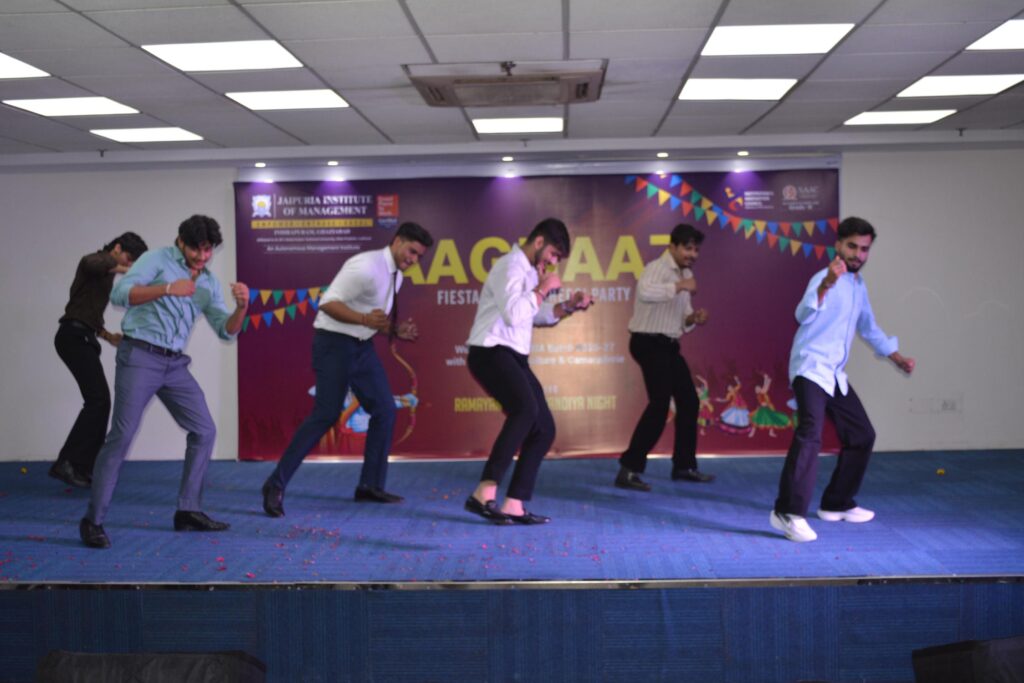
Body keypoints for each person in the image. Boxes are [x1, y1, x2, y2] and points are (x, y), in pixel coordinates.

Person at [79, 215, 250, 549]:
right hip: (140, 356)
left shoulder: (209, 283)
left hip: (174, 365)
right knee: (122, 436)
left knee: (204, 430)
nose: (202, 257)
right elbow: (120, 295)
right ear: (181, 242)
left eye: (208, 250)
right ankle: (92, 520)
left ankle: (188, 510)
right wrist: (168, 288)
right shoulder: (156, 259)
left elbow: (225, 331)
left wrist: (241, 308)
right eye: (196, 249)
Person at [261, 222, 434, 517]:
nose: (414, 259)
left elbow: (373, 319)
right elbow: (327, 303)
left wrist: (394, 330)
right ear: (397, 241)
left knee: (385, 410)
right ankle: (274, 484)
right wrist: (366, 321)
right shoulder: (365, 265)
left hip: (362, 348)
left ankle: (370, 486)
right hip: (333, 345)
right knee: (326, 414)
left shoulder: (397, 276)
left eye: (419, 256)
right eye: (412, 251)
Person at [770, 216, 915, 543]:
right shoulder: (823, 277)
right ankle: (787, 512)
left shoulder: (858, 286)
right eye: (852, 247)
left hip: (834, 375)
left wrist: (897, 357)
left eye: (864, 249)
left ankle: (836, 503)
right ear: (838, 245)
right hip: (810, 368)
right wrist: (826, 284)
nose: (858, 254)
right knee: (810, 435)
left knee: (862, 435)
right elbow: (802, 315)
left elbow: (869, 327)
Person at [464, 218, 594, 525]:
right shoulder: (509, 266)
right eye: (553, 254)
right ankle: (483, 492)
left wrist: (568, 306)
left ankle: (514, 503)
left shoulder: (530, 272)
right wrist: (543, 287)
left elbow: (535, 314)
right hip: (490, 350)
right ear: (538, 242)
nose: (553, 262)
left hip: (512, 355)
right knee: (524, 410)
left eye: (557, 258)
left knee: (544, 428)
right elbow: (513, 313)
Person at [615, 223, 714, 492]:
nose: (692, 255)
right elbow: (645, 292)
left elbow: (683, 317)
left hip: (668, 344)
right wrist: (680, 285)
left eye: (696, 250)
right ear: (672, 246)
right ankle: (629, 469)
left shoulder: (686, 274)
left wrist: (694, 318)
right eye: (687, 248)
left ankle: (684, 466)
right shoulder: (656, 268)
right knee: (660, 404)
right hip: (647, 341)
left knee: (689, 401)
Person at [52, 233, 148, 489]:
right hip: (72, 337)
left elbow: (87, 313)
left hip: (81, 336)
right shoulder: (96, 262)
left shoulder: (104, 274)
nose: (128, 265)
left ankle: (81, 466)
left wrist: (107, 336)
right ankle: (68, 462)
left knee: (100, 402)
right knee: (98, 400)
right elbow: (89, 262)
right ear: (117, 248)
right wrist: (126, 268)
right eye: (128, 258)